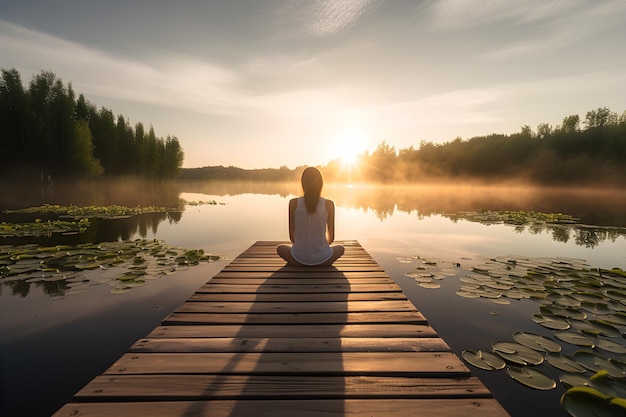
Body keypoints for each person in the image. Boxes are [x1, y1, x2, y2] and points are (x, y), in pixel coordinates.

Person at [277, 167, 345, 267]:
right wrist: (319, 247)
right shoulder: (329, 204)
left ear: (303, 184)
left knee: (280, 248)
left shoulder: (293, 203)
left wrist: (304, 246)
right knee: (340, 248)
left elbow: (292, 237)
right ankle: (319, 259)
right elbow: (331, 238)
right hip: (323, 260)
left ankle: (302, 261)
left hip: (298, 259)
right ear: (321, 184)